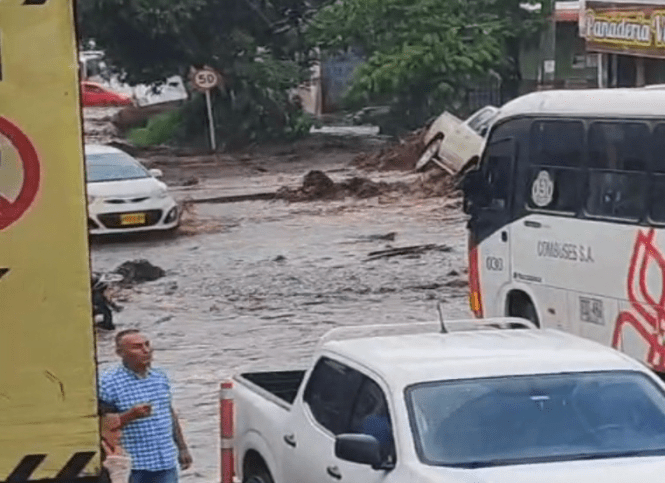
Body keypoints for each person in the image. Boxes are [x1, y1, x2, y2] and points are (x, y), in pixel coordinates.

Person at [99, 329, 192, 483]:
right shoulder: (108, 383)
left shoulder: (159, 376)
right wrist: (131, 415)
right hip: (132, 465)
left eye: (147, 345)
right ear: (120, 353)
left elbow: (169, 412)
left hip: (165, 461)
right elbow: (103, 427)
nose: (146, 351)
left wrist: (182, 448)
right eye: (137, 347)